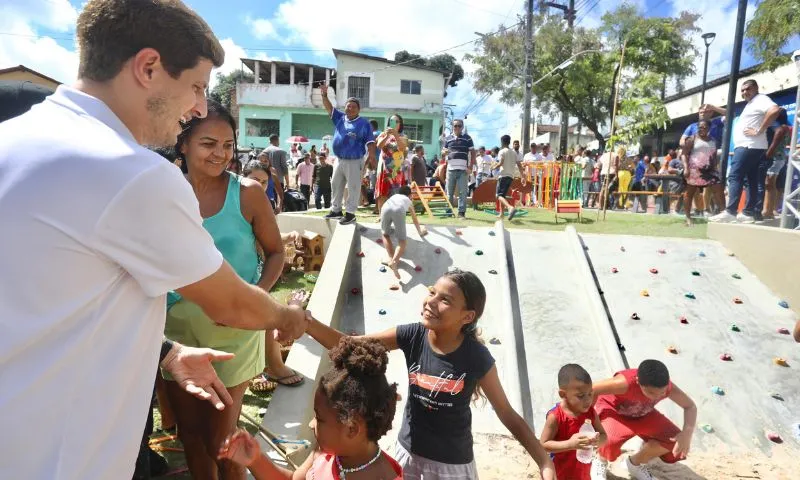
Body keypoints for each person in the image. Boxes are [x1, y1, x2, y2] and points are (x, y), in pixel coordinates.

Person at [0, 1, 308, 478]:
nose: (201, 109)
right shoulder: (131, 172)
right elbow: (231, 304)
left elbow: (54, 299)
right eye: (197, 87)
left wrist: (168, 352)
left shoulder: (15, 138)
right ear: (148, 67)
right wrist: (287, 315)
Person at [303, 270, 557, 480]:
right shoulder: (412, 336)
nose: (431, 302)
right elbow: (350, 345)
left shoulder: (476, 357)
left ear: (467, 316)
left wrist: (544, 460)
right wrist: (307, 324)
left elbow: (508, 414)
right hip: (408, 455)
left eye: (445, 300)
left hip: (451, 467)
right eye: (432, 292)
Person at [165, 100, 302, 479]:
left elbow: (276, 253)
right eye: (209, 143)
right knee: (190, 435)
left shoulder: (247, 193)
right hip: (175, 336)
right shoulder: (162, 190)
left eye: (228, 145)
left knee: (223, 444)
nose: (220, 154)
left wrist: (252, 299)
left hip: (235, 336)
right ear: (183, 144)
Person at [218, 337, 402, 479]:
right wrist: (255, 460)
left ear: (351, 428)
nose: (311, 424)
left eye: (319, 418)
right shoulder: (326, 452)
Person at [590, 360, 697, 480]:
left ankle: (634, 464)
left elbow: (690, 406)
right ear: (637, 381)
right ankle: (600, 460)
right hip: (615, 412)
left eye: (662, 393)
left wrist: (687, 433)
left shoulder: (668, 388)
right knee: (609, 440)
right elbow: (592, 389)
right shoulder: (624, 383)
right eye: (651, 392)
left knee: (674, 441)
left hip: (643, 412)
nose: (657, 396)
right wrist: (589, 417)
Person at [711, 79, 781, 224]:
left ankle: (730, 212)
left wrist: (759, 130)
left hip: (748, 146)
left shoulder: (761, 99)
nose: (744, 92)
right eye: (742, 90)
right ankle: (748, 212)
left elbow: (775, 110)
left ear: (756, 88)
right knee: (751, 180)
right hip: (753, 147)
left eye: (748, 89)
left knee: (735, 176)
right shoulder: (751, 104)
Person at [320, 84, 376, 225]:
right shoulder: (340, 118)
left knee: (353, 187)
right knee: (336, 184)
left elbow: (370, 142)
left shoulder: (364, 124)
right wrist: (324, 95)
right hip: (339, 159)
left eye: (353, 107)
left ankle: (350, 214)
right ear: (345, 107)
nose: (350, 108)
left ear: (358, 109)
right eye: (348, 106)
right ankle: (336, 210)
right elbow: (329, 108)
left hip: (355, 160)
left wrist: (372, 157)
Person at [540, 364, 607, 480]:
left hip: (583, 469)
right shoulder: (556, 417)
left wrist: (596, 440)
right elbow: (543, 445)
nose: (588, 400)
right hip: (560, 471)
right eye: (580, 396)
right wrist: (570, 444)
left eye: (590, 393)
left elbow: (604, 437)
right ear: (563, 394)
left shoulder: (590, 412)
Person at [681, 121, 725, 226]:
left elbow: (713, 156)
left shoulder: (713, 141)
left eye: (704, 127)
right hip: (694, 170)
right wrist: (686, 168)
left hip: (709, 171)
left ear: (709, 128)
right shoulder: (692, 139)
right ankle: (688, 218)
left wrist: (716, 168)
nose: (702, 129)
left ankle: (724, 213)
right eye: (700, 127)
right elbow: (683, 154)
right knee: (689, 193)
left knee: (718, 189)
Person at [379, 185, 428, 279]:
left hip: (385, 207)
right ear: (409, 195)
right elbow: (414, 218)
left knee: (385, 234)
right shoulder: (408, 200)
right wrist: (420, 232)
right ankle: (394, 261)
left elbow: (387, 207)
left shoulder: (394, 196)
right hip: (398, 210)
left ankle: (390, 258)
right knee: (402, 241)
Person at [375, 114, 409, 213]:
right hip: (384, 169)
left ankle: (394, 217)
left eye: (396, 121)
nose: (393, 124)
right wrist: (387, 136)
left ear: (400, 124)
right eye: (391, 121)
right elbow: (379, 146)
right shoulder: (383, 134)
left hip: (396, 170)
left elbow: (402, 148)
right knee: (382, 193)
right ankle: (382, 216)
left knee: (396, 194)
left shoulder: (403, 136)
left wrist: (396, 135)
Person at [444, 119, 476, 218]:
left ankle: (461, 213)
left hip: (463, 170)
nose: (457, 127)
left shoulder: (468, 138)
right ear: (452, 127)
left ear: (462, 127)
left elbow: (473, 153)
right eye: (455, 126)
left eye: (459, 126)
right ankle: (448, 212)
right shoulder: (448, 138)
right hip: (450, 169)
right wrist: (443, 153)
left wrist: (470, 166)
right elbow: (443, 151)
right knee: (449, 193)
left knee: (463, 192)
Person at [763, 109, 791, 219]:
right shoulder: (786, 127)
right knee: (771, 184)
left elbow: (775, 144)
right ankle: (770, 210)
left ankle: (768, 211)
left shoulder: (781, 128)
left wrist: (768, 154)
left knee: (770, 184)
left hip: (775, 157)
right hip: (780, 157)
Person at [493, 134, 527, 220]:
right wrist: (522, 177)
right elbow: (519, 165)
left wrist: (493, 167)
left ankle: (510, 207)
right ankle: (501, 214)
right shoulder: (514, 152)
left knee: (498, 195)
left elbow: (500, 163)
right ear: (509, 142)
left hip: (503, 175)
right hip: (511, 176)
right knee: (503, 195)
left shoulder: (502, 151)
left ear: (502, 142)